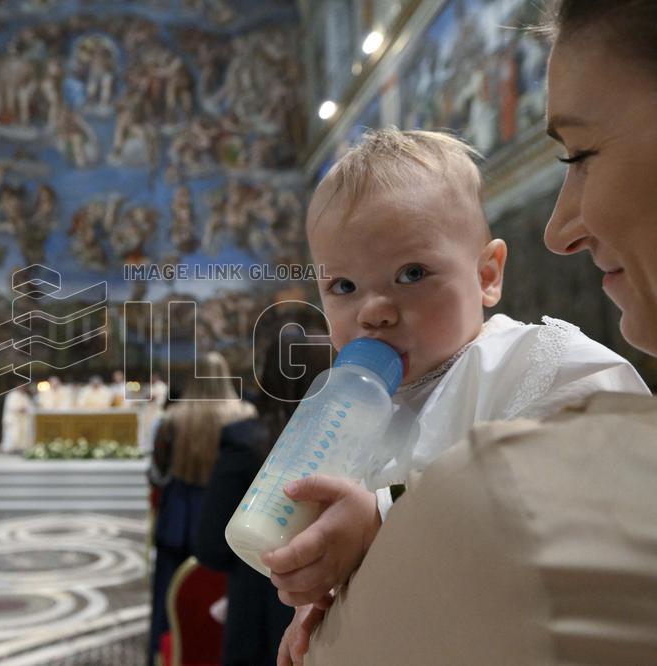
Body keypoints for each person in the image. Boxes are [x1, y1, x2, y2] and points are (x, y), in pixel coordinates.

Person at [279, 2, 657, 663]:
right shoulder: (354, 417)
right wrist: (332, 601)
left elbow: (597, 507)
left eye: (413, 273)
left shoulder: (535, 361)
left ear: (488, 276)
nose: (373, 311)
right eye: (343, 288)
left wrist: (384, 523)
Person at [194, 329, 331, 665]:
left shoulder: (244, 443)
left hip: (257, 614)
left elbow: (211, 547)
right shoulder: (353, 449)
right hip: (334, 611)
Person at [148, 352, 257, 661]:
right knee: (230, 598)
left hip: (180, 518)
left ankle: (166, 654)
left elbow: (158, 474)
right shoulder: (245, 414)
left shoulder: (171, 419)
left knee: (168, 602)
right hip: (227, 514)